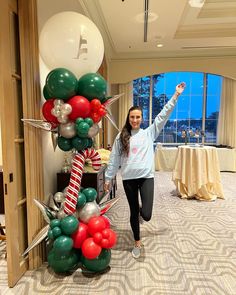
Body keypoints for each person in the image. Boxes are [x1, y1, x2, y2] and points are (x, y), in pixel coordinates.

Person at [104, 82, 186, 259]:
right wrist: (108, 177)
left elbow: (163, 116)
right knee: (134, 211)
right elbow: (114, 158)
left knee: (146, 215)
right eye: (132, 117)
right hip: (129, 179)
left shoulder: (149, 133)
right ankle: (137, 241)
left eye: (138, 117)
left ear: (142, 118)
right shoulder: (122, 136)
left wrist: (175, 96)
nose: (135, 120)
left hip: (146, 177)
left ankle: (142, 214)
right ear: (128, 118)